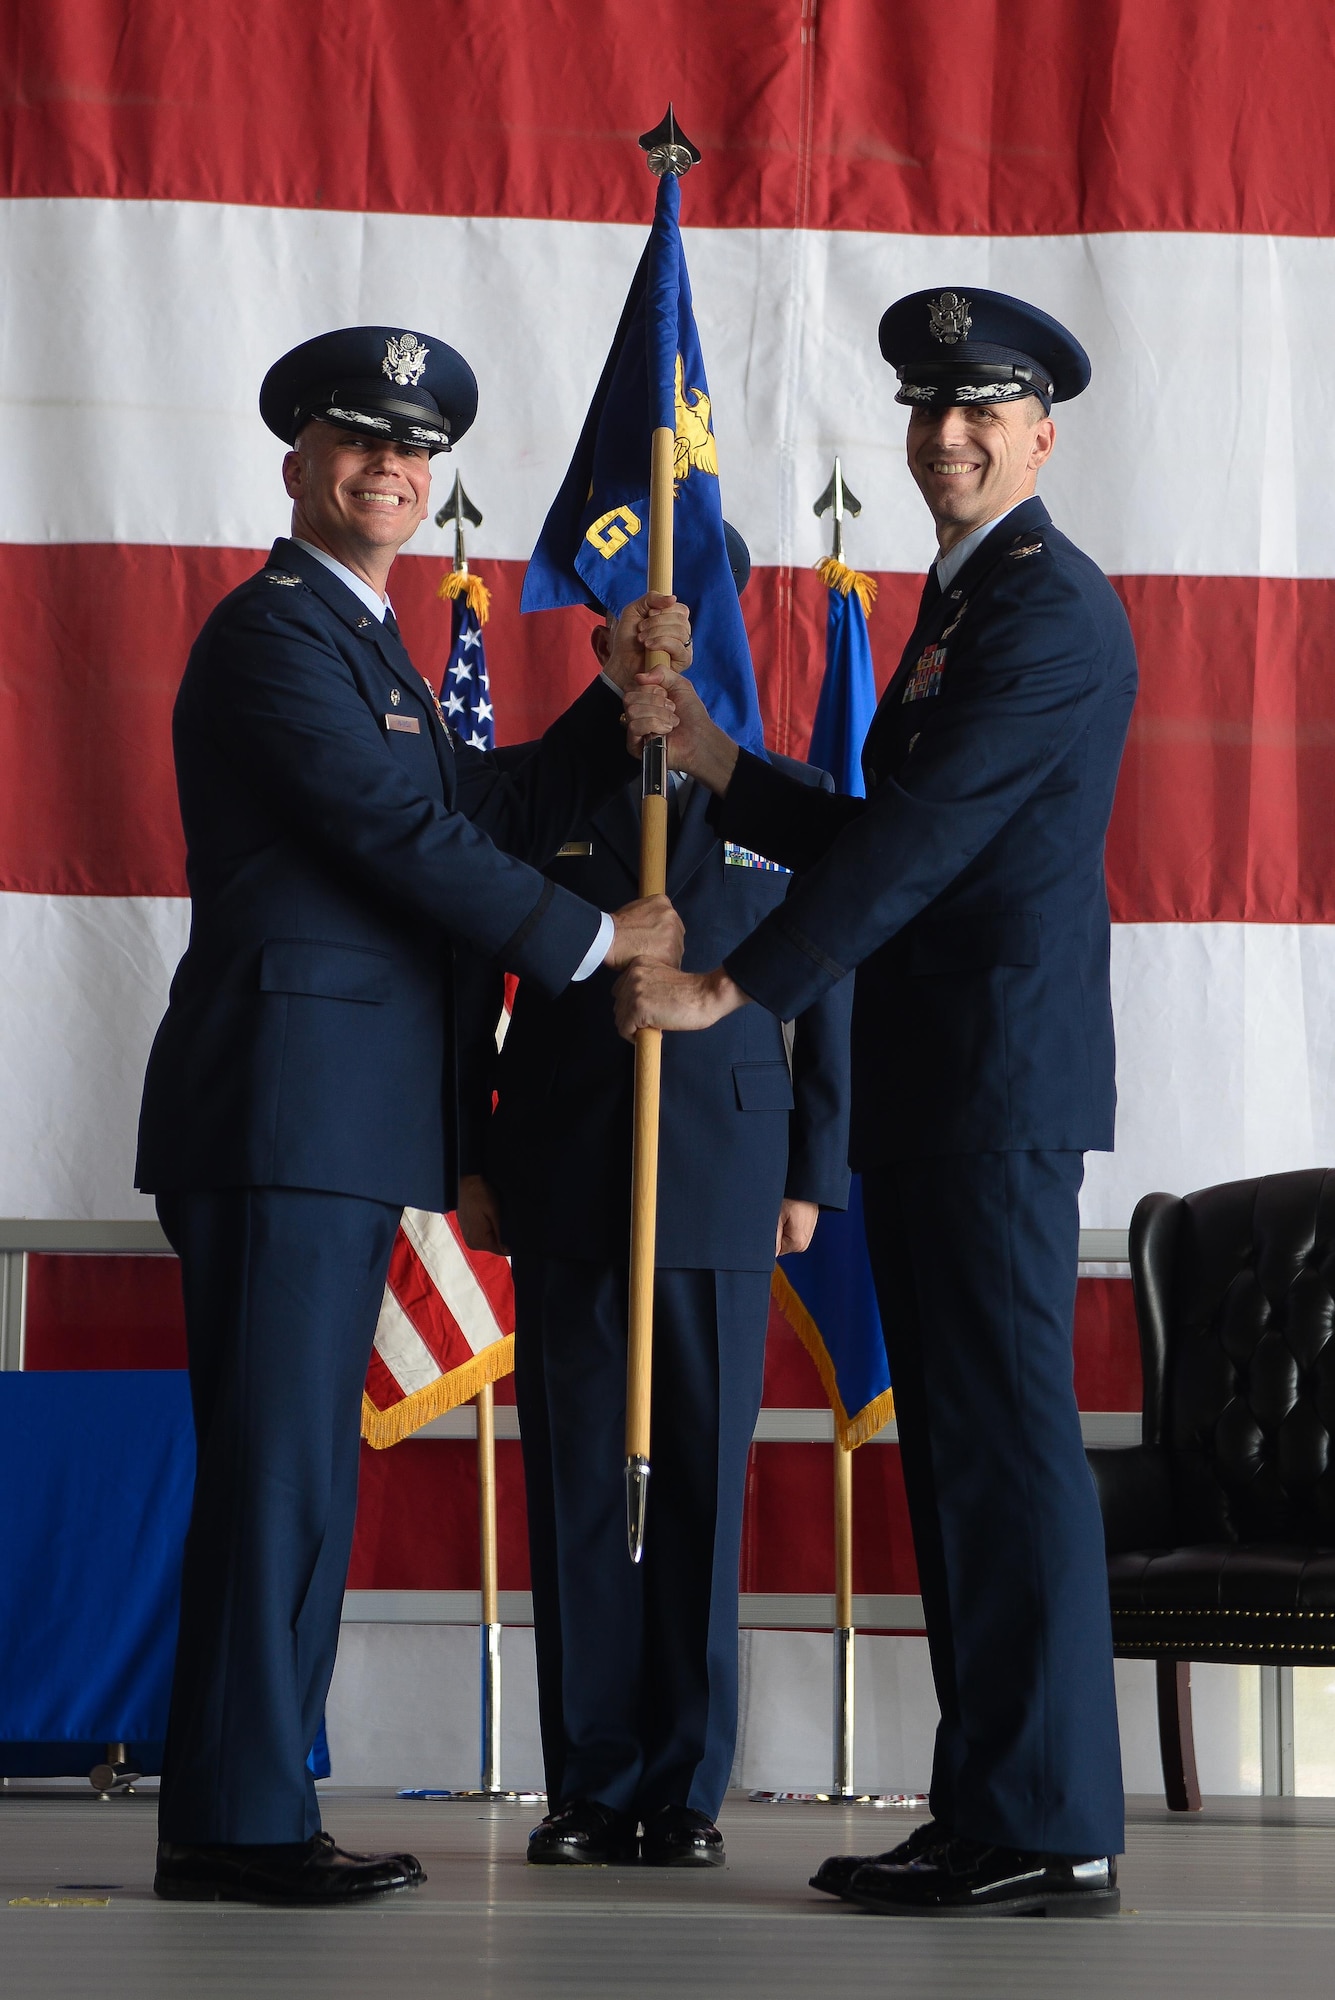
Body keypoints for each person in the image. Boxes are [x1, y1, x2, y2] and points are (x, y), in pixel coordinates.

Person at [135, 324, 691, 1905]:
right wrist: (593, 943)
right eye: (357, 440)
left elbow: (468, 800)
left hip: (330, 1119)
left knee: (297, 1471)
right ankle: (240, 1826)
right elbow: (395, 832)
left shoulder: (365, 641)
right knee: (276, 1475)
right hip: (278, 1114)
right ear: (297, 462)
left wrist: (610, 692)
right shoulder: (272, 636)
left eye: (414, 449)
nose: (390, 467)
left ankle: (244, 1810)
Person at [614, 289, 1137, 1919]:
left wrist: (734, 990)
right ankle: (994, 1806)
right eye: (928, 409)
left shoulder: (1048, 610)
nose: (949, 436)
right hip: (939, 1086)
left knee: (1007, 1447)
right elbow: (872, 827)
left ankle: (1050, 1818)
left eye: (983, 410)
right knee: (964, 1459)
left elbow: (922, 851)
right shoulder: (965, 605)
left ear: (1043, 433)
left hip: (992, 1084)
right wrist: (705, 750)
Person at [456, 527, 853, 1870]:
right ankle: (591, 1783)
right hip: (564, 1166)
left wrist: (815, 1167)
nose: (661, 639)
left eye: (685, 619)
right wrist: (467, 1152)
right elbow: (465, 980)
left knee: (696, 1475)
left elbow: (832, 973)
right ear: (597, 634)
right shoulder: (524, 791)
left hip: (729, 1176)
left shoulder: (771, 795)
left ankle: (681, 1789)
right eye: (636, 618)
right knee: (578, 1482)